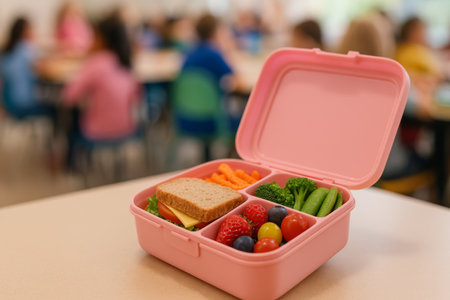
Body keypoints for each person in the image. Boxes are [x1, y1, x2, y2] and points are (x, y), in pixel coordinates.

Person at [63, 14, 140, 143]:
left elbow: (69, 96)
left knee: (70, 118)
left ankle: (70, 161)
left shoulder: (96, 63)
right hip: (127, 127)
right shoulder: (128, 64)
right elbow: (136, 97)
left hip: (97, 130)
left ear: (101, 38)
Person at [0, 17, 53, 119]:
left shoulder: (5, 51)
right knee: (55, 109)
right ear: (25, 31)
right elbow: (45, 67)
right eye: (31, 29)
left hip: (8, 104)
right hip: (24, 105)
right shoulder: (27, 49)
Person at [182, 14, 240, 90]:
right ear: (215, 32)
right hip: (211, 100)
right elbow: (237, 79)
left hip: (188, 99)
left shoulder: (190, 52)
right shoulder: (213, 55)